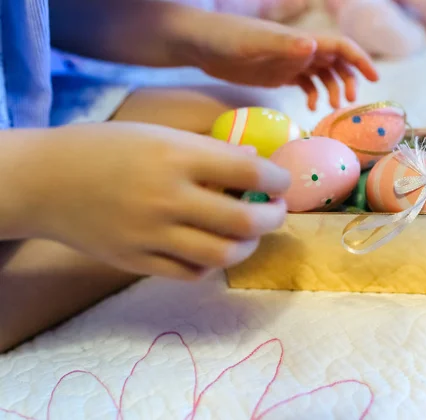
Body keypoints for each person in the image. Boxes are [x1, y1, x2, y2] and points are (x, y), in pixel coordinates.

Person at [0, 0, 379, 351]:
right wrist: (45, 181)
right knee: (205, 190)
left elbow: (51, 13)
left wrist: (188, 34)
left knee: (229, 125)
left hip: (24, 114)